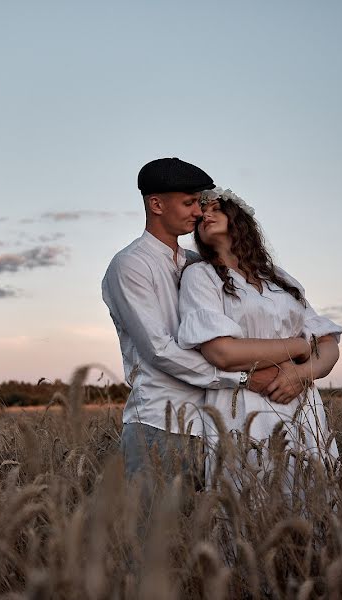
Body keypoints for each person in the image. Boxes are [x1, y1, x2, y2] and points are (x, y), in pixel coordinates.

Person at [101, 158, 279, 491]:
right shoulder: (130, 265)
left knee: (206, 537)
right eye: (188, 203)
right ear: (156, 204)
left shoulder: (197, 265)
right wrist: (242, 378)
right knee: (157, 537)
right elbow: (159, 349)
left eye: (199, 202)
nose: (198, 211)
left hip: (218, 424)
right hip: (160, 425)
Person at [176, 186, 342, 494]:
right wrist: (300, 347)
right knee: (249, 497)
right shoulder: (201, 276)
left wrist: (301, 373)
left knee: (310, 494)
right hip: (241, 405)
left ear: (239, 218)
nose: (205, 215)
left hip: (300, 402)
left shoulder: (280, 278)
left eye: (216, 208)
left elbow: (330, 345)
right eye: (201, 213)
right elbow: (221, 352)